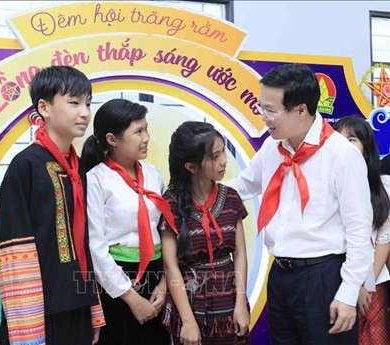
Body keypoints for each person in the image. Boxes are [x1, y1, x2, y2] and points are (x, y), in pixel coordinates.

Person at [226, 63, 373, 344]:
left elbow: (359, 229)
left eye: (270, 110)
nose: (264, 118)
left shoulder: (341, 155)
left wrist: (348, 292)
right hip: (281, 275)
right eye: (261, 108)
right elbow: (242, 186)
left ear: (301, 110)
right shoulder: (273, 147)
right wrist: (192, 193)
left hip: (324, 277)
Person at [0, 66, 104, 345]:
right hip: (39, 311)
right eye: (74, 102)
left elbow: (82, 240)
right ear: (44, 107)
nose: (85, 112)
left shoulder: (75, 167)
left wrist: (92, 307)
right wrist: (28, 325)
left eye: (88, 103)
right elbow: (13, 246)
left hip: (76, 303)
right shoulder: (26, 165)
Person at [82, 98, 173, 345]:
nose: (146, 138)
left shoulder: (153, 174)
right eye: (138, 131)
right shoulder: (96, 180)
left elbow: (166, 232)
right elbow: (95, 248)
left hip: (156, 276)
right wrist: (132, 298)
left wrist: (165, 283)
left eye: (146, 129)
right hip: (117, 281)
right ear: (112, 139)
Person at [160, 121, 251, 345]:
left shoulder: (231, 198)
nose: (223, 161)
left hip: (229, 301)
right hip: (190, 303)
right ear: (191, 167)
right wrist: (188, 321)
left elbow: (239, 254)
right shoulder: (171, 204)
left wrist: (240, 303)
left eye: (223, 152)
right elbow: (171, 266)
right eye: (214, 156)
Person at [335, 116, 390, 345]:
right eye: (339, 140)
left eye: (352, 140)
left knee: (375, 336)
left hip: (374, 280)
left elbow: (383, 240)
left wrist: (366, 284)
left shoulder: (382, 186)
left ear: (366, 149)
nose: (344, 146)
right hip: (335, 278)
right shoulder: (328, 187)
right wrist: (351, 286)